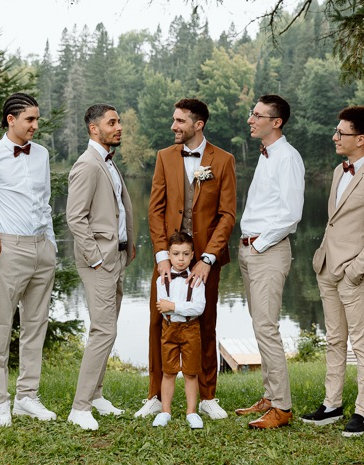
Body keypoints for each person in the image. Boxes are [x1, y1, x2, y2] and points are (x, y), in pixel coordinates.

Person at [136, 98, 236, 420]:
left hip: (205, 259)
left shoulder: (223, 160)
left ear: (198, 125)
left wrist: (207, 259)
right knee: (157, 323)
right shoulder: (164, 157)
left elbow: (227, 215)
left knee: (205, 324)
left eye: (179, 121)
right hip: (169, 257)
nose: (173, 126)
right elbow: (155, 209)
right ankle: (154, 395)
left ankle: (207, 397)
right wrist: (163, 255)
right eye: (174, 120)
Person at [302, 105, 364, 436]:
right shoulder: (340, 171)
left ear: (361, 138)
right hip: (327, 267)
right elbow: (334, 221)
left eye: (341, 132)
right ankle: (332, 405)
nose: (334, 136)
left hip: (355, 274)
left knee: (361, 342)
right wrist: (322, 257)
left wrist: (355, 270)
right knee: (334, 339)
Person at [0, 93, 57, 427]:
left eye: (37, 119)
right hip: (7, 248)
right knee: (2, 324)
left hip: (42, 247)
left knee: (36, 325)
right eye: (30, 120)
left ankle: (27, 398)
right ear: (11, 120)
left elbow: (46, 201)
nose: (35, 126)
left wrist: (50, 242)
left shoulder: (43, 155)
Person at [234, 94, 304, 429]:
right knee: (259, 325)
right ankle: (269, 396)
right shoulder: (267, 155)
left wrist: (258, 245)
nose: (251, 119)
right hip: (251, 250)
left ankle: (283, 407)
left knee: (267, 328)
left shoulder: (287, 157)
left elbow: (291, 215)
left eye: (258, 115)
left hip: (268, 251)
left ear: (276, 122)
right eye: (252, 113)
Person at [66, 103, 135, 431]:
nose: (119, 126)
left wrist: (128, 245)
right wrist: (96, 257)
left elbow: (118, 208)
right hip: (99, 262)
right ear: (95, 129)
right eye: (112, 122)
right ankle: (79, 407)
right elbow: (75, 217)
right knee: (103, 330)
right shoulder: (88, 165)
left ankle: (96, 395)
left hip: (116, 257)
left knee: (108, 328)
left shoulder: (107, 162)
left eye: (118, 121)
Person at [151, 232, 206, 430]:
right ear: (169, 255)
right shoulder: (161, 280)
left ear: (192, 255)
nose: (180, 259)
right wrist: (178, 306)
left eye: (185, 254)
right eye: (175, 254)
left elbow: (198, 308)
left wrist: (173, 306)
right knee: (169, 371)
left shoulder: (197, 280)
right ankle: (165, 411)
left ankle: (192, 412)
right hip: (169, 330)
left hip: (191, 328)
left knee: (191, 373)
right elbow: (161, 305)